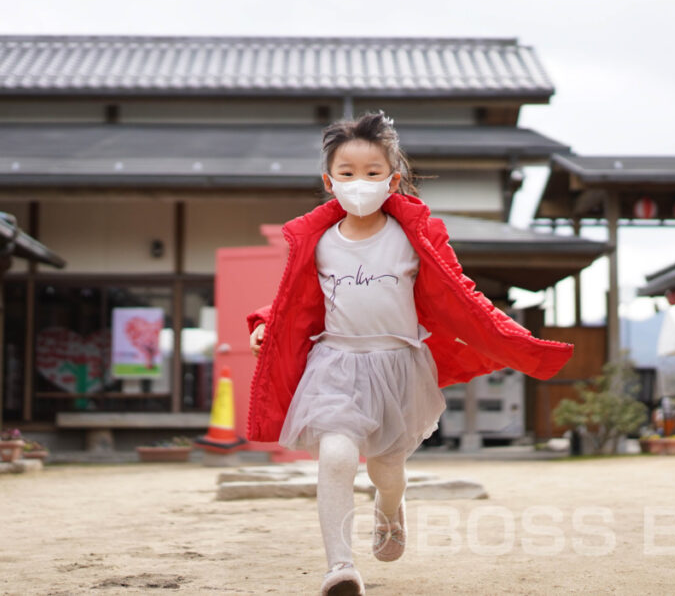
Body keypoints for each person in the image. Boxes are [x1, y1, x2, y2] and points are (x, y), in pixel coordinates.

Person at [246, 111, 574, 595]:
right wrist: (266, 324)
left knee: (386, 468)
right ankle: (341, 567)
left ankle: (388, 508)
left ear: (393, 179)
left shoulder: (413, 237)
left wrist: (509, 335)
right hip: (335, 363)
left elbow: (458, 292)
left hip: (398, 367)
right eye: (348, 173)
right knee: (336, 455)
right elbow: (298, 299)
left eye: (373, 173)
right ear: (328, 180)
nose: (360, 182)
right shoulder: (316, 243)